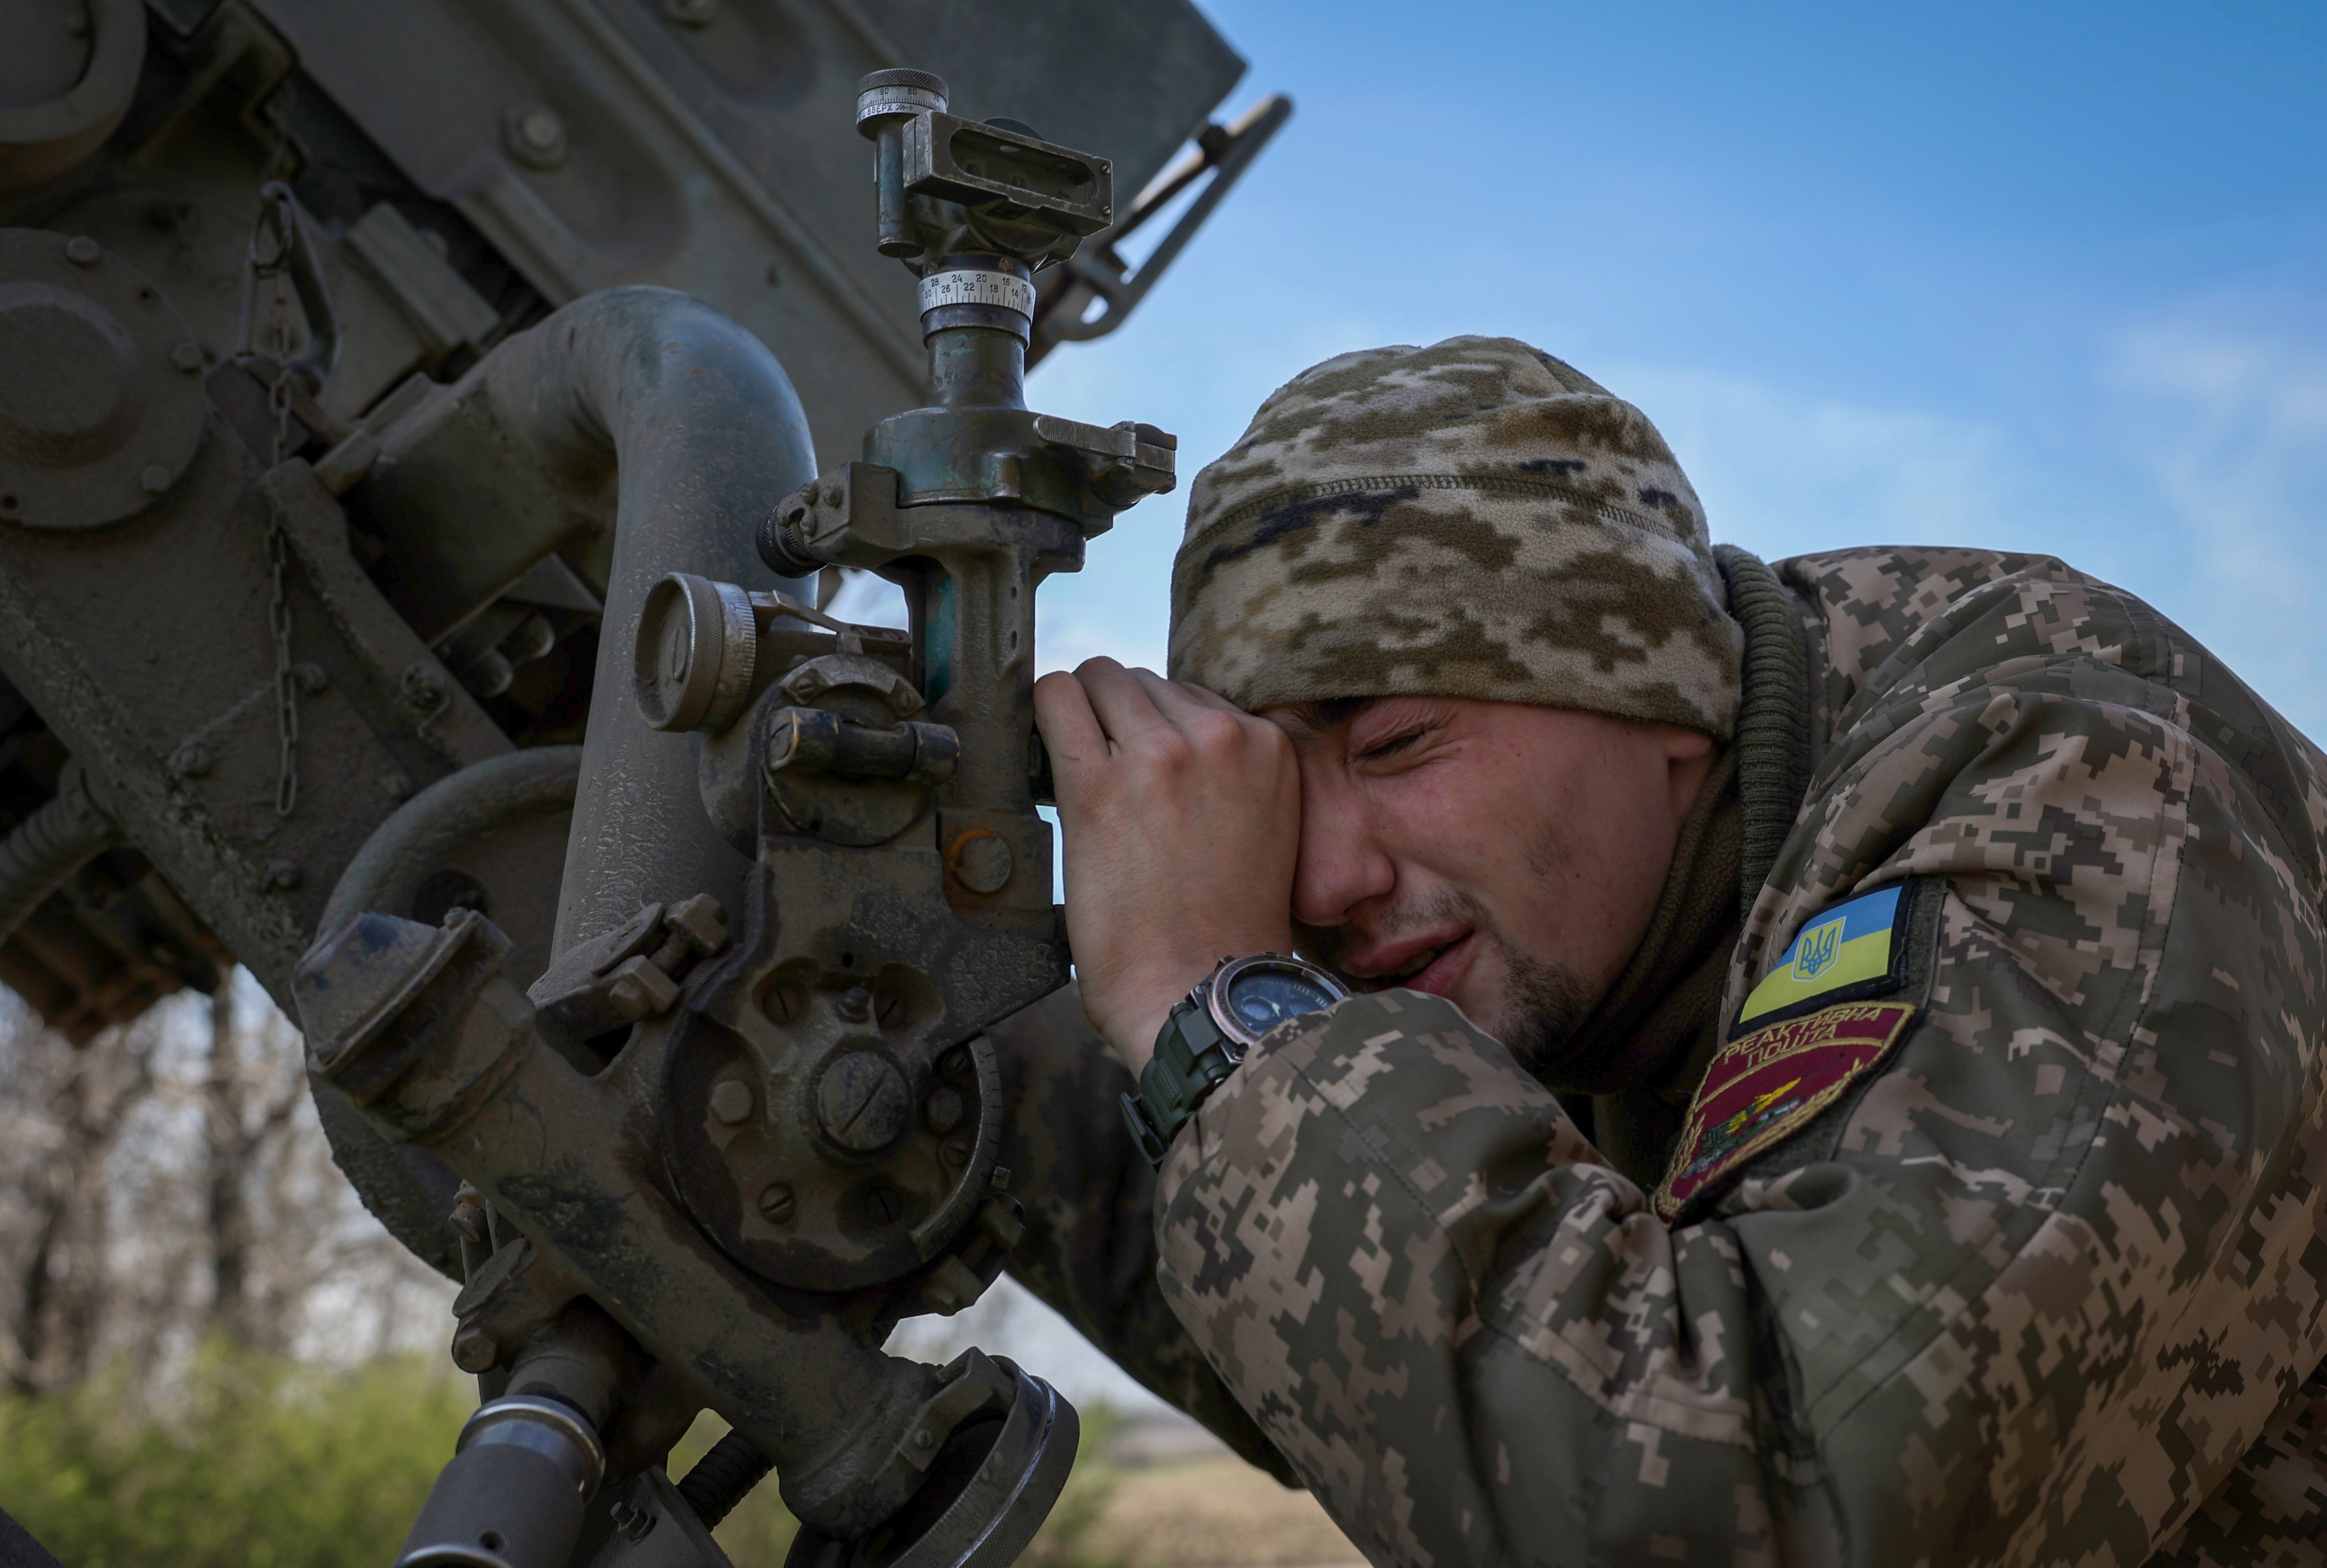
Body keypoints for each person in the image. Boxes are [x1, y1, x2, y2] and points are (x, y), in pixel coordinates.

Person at [985, 337, 2327, 1567]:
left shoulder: (2075, 781)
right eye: (1273, 791)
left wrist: (1215, 1012)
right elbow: (1423, 1377)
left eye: (1395, 744)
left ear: (1664, 696)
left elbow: (1761, 1499)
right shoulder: (1587, 938)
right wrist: (954, 1034)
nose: (1327, 879)